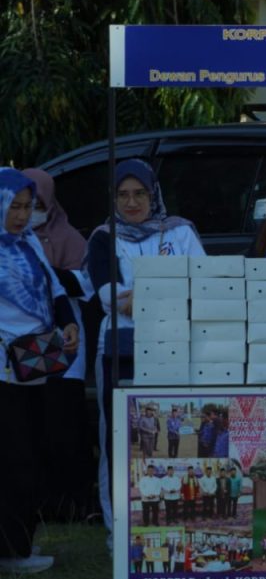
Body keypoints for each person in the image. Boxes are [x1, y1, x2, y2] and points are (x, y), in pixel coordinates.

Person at [85, 160, 204, 530]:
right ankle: (117, 528)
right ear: (113, 198)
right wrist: (165, 295)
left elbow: (200, 286)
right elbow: (112, 296)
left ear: (154, 195)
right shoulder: (104, 237)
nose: (132, 202)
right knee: (118, 439)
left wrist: (142, 296)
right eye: (123, 195)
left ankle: (172, 520)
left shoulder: (181, 232)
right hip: (122, 352)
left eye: (140, 193)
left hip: (177, 349)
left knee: (176, 435)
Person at [0, 169, 80, 574]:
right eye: (13, 206)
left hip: (34, 361)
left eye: (27, 207)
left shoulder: (27, 241)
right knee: (13, 459)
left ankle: (16, 547)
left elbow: (56, 288)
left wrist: (68, 323)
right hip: (2, 370)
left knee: (31, 456)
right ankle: (11, 551)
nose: (21, 215)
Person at [20, 168, 95, 521]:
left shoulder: (67, 236)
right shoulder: (11, 239)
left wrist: (52, 274)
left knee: (65, 424)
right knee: (34, 423)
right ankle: (40, 501)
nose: (30, 210)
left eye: (37, 202)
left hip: (63, 342)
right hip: (25, 345)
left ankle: (72, 502)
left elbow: (88, 283)